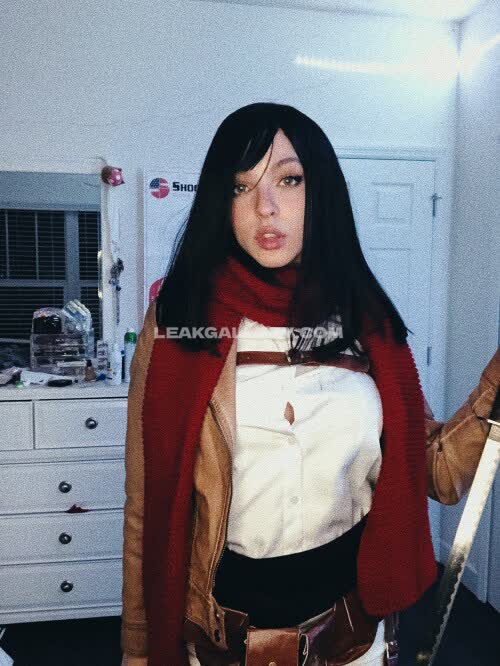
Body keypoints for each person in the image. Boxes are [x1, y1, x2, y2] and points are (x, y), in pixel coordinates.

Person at [121, 103, 500, 666]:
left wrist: (495, 383)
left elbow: (437, 472)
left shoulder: (366, 322)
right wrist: (137, 650)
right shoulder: (180, 323)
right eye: (241, 186)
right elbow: (144, 507)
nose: (265, 207)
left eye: (289, 180)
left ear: (321, 190)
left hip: (352, 641)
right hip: (221, 642)